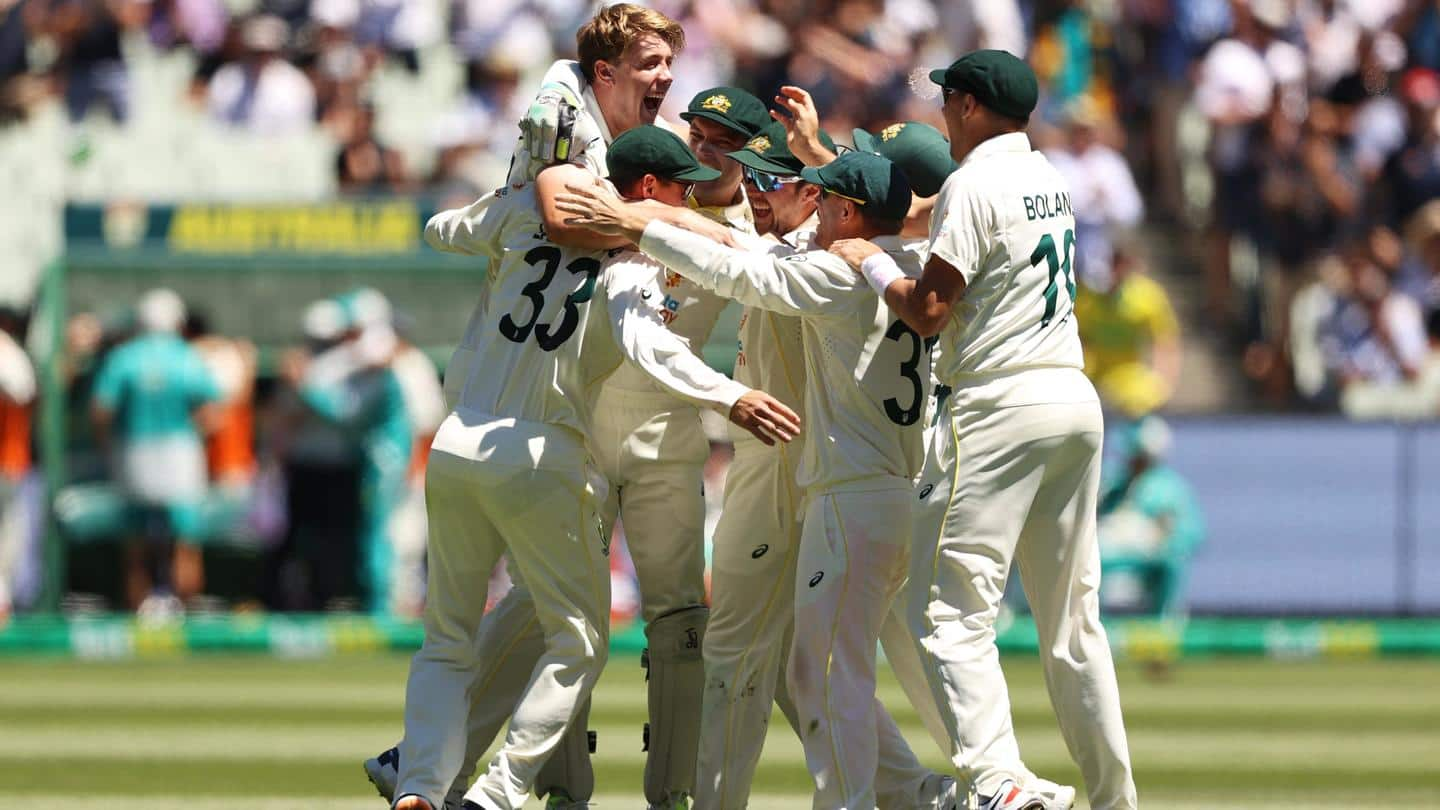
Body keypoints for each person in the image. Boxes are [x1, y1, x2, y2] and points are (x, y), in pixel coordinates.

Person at [387, 126, 798, 810]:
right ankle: (505, 790)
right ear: (645, 188)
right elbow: (646, 343)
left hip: (460, 442)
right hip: (545, 448)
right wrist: (732, 394)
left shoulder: (526, 213)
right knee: (577, 642)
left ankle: (421, 782)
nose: (686, 197)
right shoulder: (628, 258)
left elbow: (440, 228)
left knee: (448, 635)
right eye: (676, 187)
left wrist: (520, 192)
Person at [558, 150, 967, 810]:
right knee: (830, 666)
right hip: (899, 490)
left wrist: (636, 226)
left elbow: (739, 271)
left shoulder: (838, 272)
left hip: (845, 496)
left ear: (840, 208)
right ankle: (944, 787)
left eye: (823, 196)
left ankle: (923, 793)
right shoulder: (915, 272)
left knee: (826, 676)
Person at [829, 50, 1136, 809]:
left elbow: (929, 309)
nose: (940, 113)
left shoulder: (973, 182)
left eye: (946, 101)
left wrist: (867, 259)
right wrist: (818, 155)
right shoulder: (1047, 176)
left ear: (966, 105)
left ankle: (1000, 784)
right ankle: (1115, 800)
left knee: (943, 612)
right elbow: (925, 219)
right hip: (1071, 395)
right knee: (1074, 627)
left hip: (998, 404)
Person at [90, 289, 220, 615]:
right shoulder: (186, 356)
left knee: (136, 543)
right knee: (185, 541)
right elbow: (214, 409)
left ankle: (140, 610)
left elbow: (101, 410)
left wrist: (109, 446)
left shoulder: (124, 357)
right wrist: (194, 433)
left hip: (135, 450)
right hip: (179, 451)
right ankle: (184, 616)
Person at [282, 293, 410, 616]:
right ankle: (378, 605)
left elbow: (345, 413)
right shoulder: (355, 367)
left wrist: (305, 386)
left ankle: (382, 609)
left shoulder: (381, 376)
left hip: (385, 462)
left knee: (381, 536)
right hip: (374, 459)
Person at [1097, 416, 1205, 619]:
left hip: (1150, 557)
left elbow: (1192, 532)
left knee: (1171, 564)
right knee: (1088, 561)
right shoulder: (1112, 482)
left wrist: (1166, 543)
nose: (1133, 461)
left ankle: (1163, 626)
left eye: (1139, 456)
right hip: (1110, 555)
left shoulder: (1171, 488)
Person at [1073, 239, 1183, 417]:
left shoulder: (1148, 296)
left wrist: (1163, 383)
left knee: (1140, 402)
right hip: (1091, 370)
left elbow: (1166, 342)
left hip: (1127, 374)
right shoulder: (1082, 297)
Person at [0, 306, 35, 625]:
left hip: (9, 460)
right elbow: (21, 390)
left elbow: (20, 392)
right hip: (7, 460)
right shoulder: (7, 351)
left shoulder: (9, 352)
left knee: (10, 537)